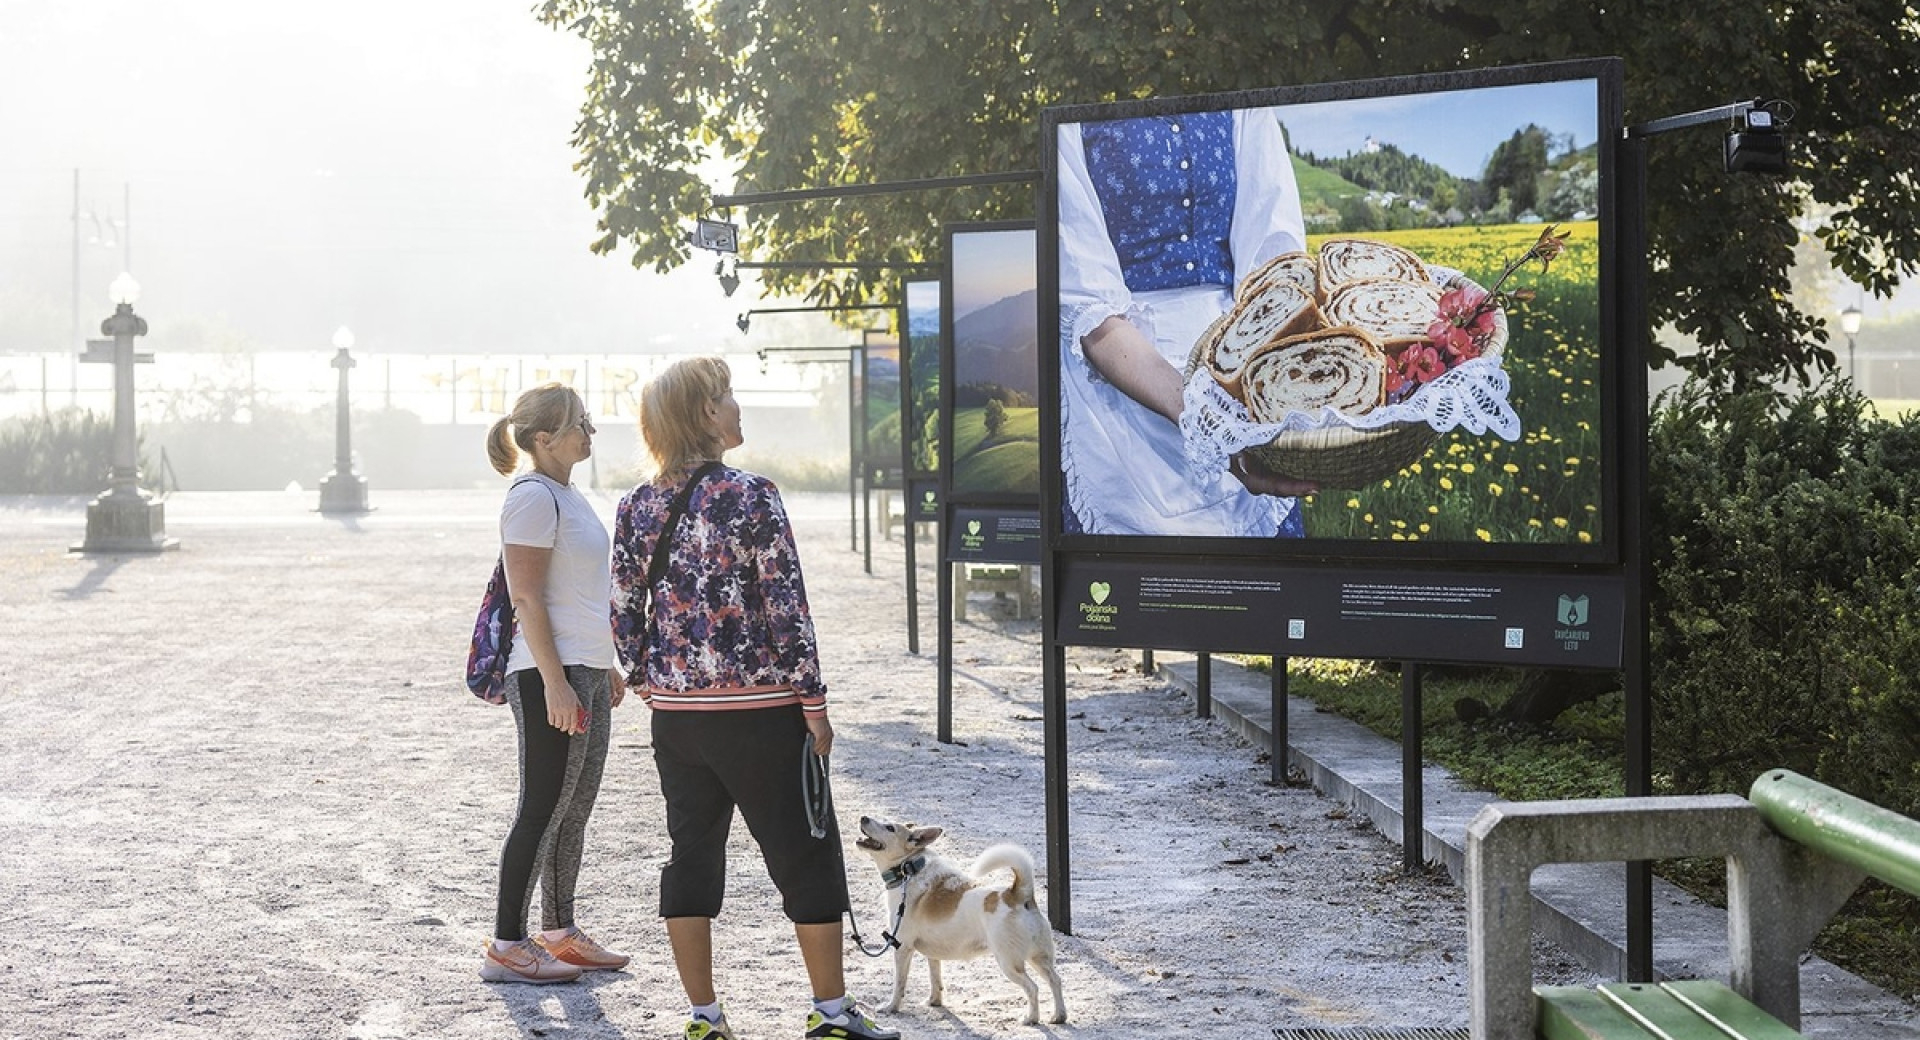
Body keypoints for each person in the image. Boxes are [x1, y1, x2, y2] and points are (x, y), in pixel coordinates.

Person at [612, 357, 898, 1040]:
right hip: (762, 713)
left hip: (678, 721)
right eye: (728, 397)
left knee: (691, 856)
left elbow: (622, 610)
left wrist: (651, 678)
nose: (738, 407)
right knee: (805, 854)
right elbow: (786, 606)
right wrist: (815, 704)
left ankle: (704, 1018)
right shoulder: (752, 495)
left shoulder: (636, 504)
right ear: (706, 415)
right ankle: (830, 1014)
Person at [1057, 105, 1319, 536]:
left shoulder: (1245, 101)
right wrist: (1208, 421)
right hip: (1120, 388)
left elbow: (1275, 272)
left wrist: (1257, 406)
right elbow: (1090, 307)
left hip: (1238, 374)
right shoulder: (1076, 108)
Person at [479, 383, 631, 985]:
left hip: (585, 668)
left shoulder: (569, 494)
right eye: (580, 423)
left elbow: (581, 593)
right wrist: (555, 683)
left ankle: (559, 932)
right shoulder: (532, 498)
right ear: (544, 439)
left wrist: (604, 664)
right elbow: (526, 595)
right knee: (541, 807)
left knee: (574, 809)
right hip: (551, 674)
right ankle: (506, 945)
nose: (590, 431)